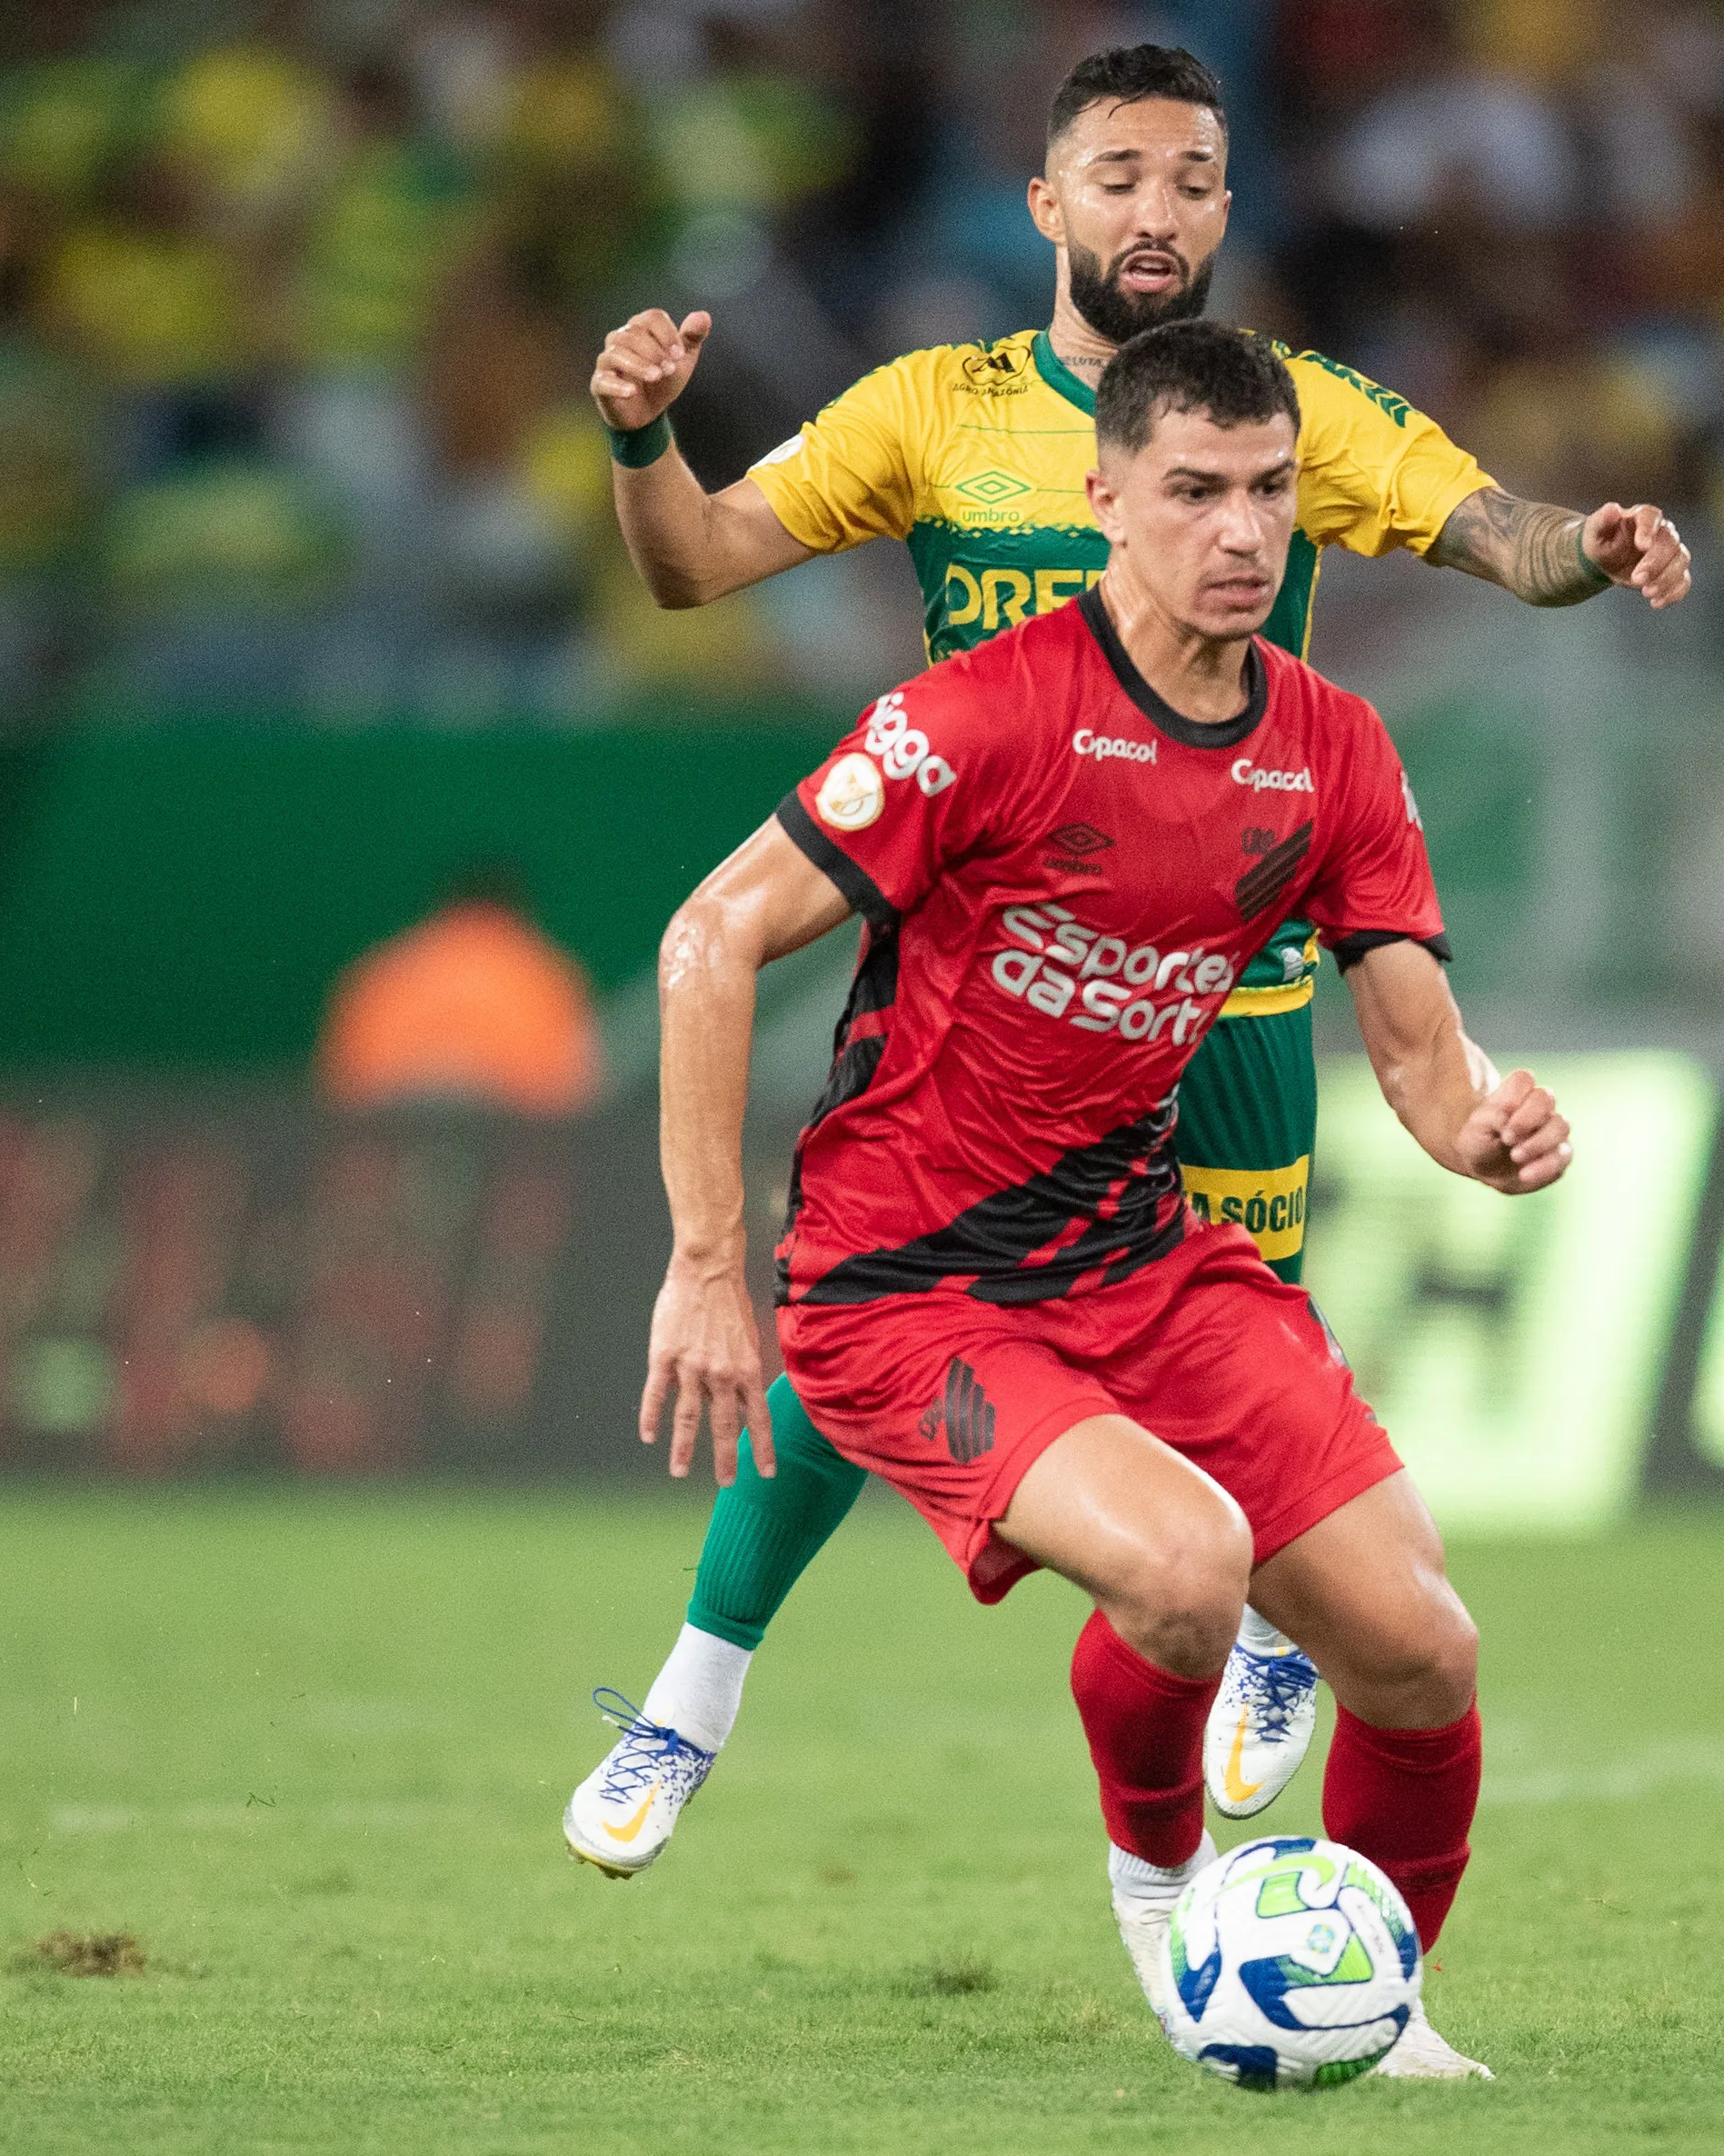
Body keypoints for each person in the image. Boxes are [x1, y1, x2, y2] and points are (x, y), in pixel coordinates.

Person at [566, 40, 1686, 1869]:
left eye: (1190, 180)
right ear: (1048, 206)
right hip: (981, 968)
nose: (1154, 211)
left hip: (1226, 984)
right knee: (883, 1310)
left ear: (1229, 206)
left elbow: (1497, 534)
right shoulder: (931, 406)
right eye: (1119, 178)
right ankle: (700, 1684)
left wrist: (1594, 542)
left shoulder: (1291, 412)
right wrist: (636, 439)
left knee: (1224, 1337)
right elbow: (689, 567)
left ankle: (1253, 1638)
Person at [622, 323, 1564, 2077]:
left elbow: (1427, 1068)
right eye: (1194, 491)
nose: (1241, 530)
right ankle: (1166, 1901)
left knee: (1423, 1654)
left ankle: (1366, 1996)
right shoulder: (975, 717)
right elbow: (709, 933)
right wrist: (702, 1258)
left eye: (1270, 490)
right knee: (1189, 1572)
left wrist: (1484, 1132)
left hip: (1139, 1250)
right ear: (1104, 497)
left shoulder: (1334, 750)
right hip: (909, 1283)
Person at [314, 863, 600, 1117]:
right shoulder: (548, 979)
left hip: (392, 1145)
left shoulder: (382, 973)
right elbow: (571, 1094)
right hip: (510, 1148)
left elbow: (343, 1088)